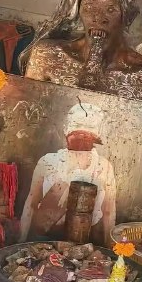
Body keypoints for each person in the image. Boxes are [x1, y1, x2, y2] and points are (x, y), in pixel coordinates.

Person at [22, 0, 142, 105]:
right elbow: (25, 116)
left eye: (110, 10)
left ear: (126, 17)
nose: (98, 18)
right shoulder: (48, 56)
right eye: (89, 8)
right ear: (78, 11)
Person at [19, 102, 116, 244]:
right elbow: (31, 204)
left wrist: (110, 247)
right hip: (45, 239)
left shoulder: (104, 167)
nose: (81, 140)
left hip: (84, 242)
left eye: (86, 136)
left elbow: (109, 212)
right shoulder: (48, 162)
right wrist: (20, 241)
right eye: (77, 135)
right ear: (66, 133)